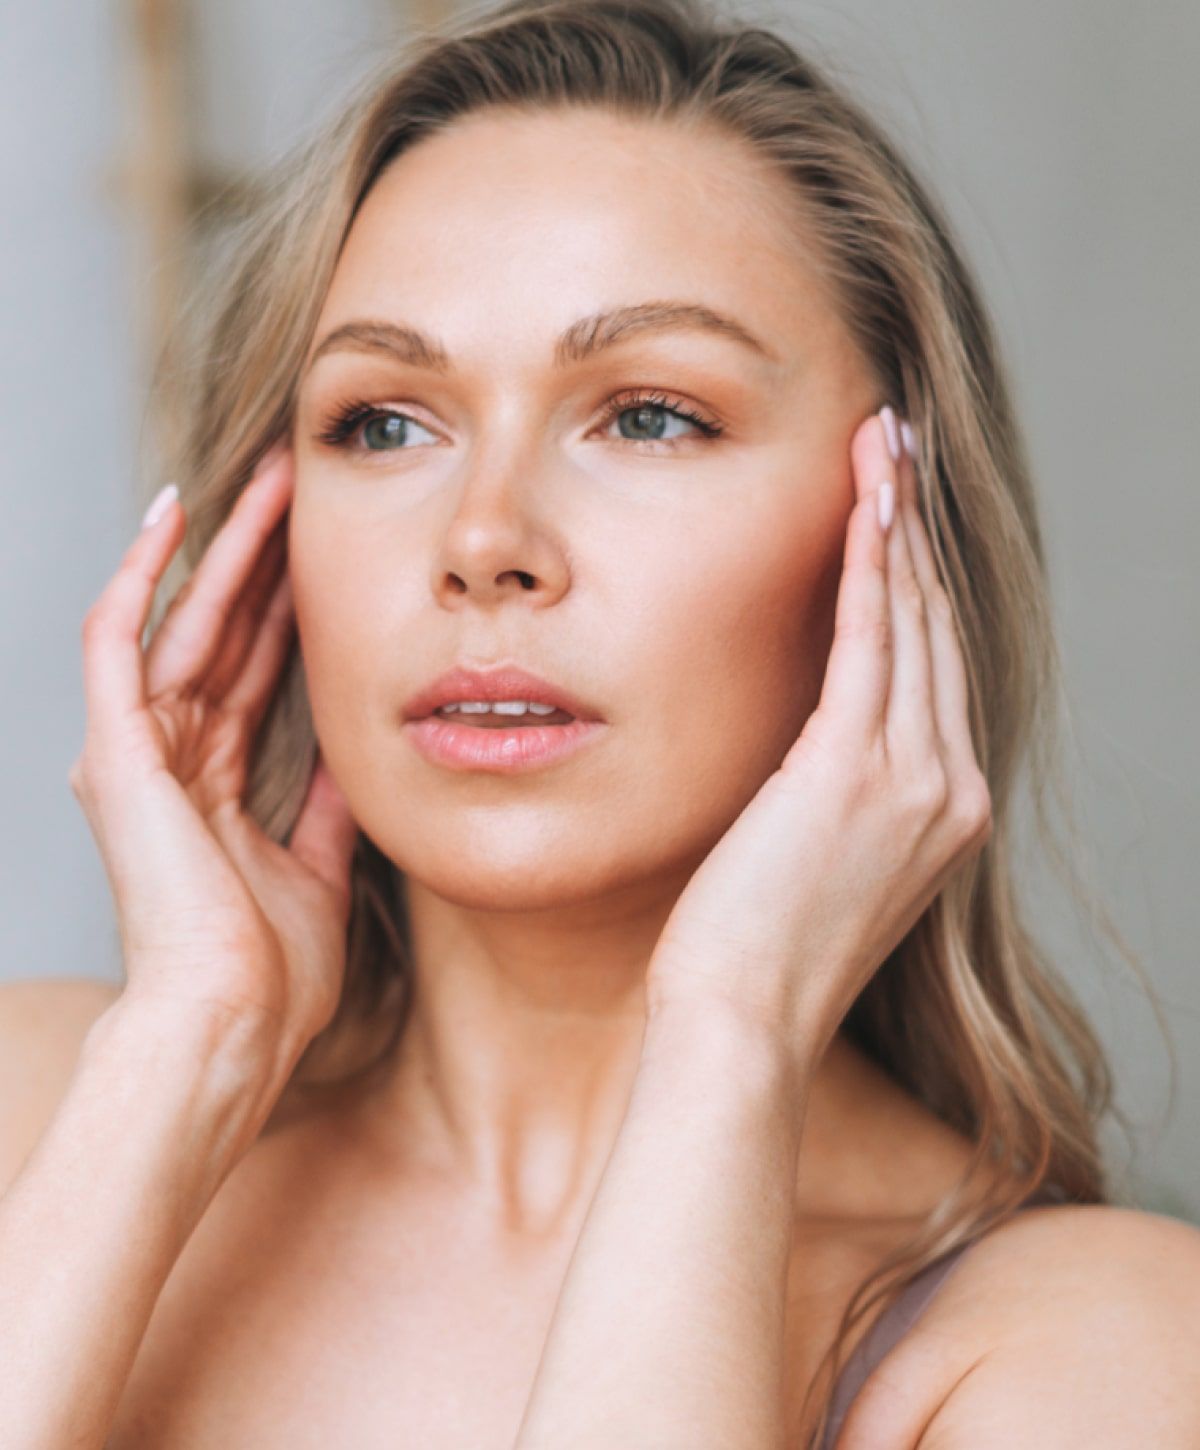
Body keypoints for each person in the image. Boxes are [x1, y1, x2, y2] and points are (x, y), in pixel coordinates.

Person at [2, 0, 1197, 1443]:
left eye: (649, 414)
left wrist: (730, 1041)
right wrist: (180, 1049)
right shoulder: (48, 1108)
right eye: (385, 421)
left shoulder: (1101, 1345)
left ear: (898, 535)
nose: (484, 537)